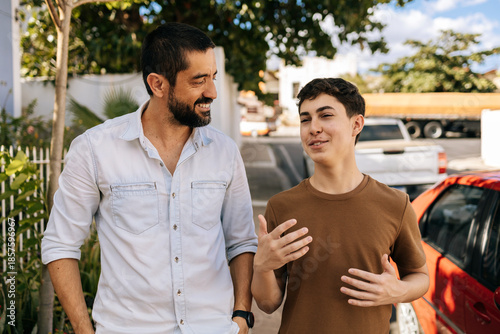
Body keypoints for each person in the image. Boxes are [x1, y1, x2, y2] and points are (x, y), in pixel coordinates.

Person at [42, 23, 258, 334]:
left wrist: (242, 316)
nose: (211, 92)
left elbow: (241, 242)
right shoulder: (95, 149)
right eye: (199, 81)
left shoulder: (224, 152)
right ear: (157, 84)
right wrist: (83, 329)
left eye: (213, 78)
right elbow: (60, 244)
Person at [251, 78, 429, 333]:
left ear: (356, 124)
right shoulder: (282, 206)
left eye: (325, 116)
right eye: (305, 119)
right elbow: (267, 303)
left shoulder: (395, 204)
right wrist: (262, 265)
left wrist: (400, 290)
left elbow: (420, 277)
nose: (313, 128)